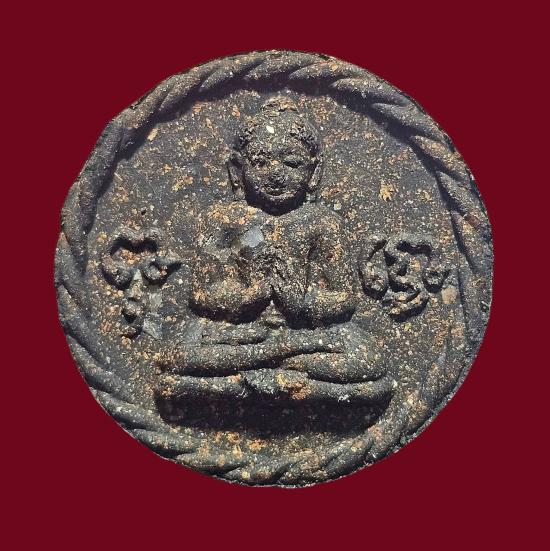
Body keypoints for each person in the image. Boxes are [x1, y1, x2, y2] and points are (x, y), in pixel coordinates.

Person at [158, 97, 393, 404]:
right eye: (260, 162)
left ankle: (251, 371)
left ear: (314, 172)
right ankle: (284, 364)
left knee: (369, 360)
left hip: (303, 333)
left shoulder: (322, 222)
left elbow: (344, 299)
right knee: (177, 355)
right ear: (237, 171)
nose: (276, 174)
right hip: (239, 334)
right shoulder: (224, 219)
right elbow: (202, 295)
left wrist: (301, 302)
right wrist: (248, 296)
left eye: (292, 163)